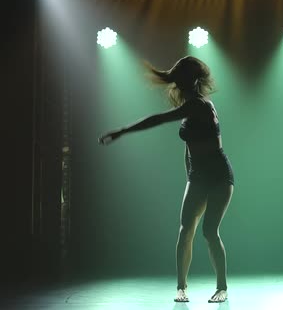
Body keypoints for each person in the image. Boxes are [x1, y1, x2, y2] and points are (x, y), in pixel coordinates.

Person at [98, 56, 234, 303]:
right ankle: (181, 288)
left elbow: (158, 119)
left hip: (219, 175)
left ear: (192, 80)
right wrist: (189, 175)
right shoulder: (190, 108)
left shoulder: (200, 106)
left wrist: (122, 131)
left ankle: (222, 288)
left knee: (209, 231)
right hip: (198, 175)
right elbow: (189, 146)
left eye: (181, 78)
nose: (178, 83)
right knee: (185, 231)